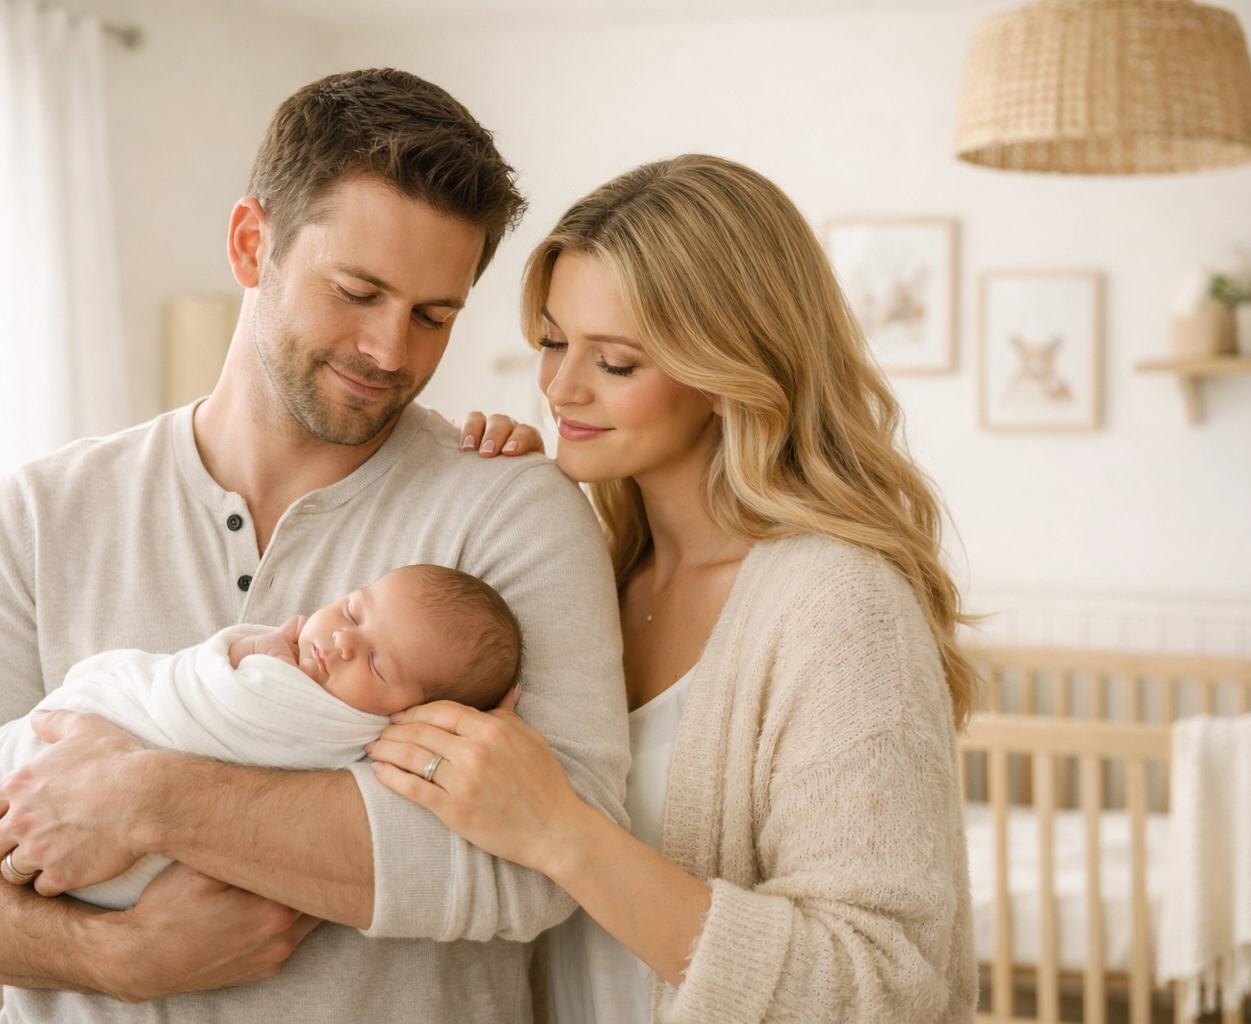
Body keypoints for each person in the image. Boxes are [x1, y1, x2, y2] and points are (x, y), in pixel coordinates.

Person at [0, 69, 629, 1024]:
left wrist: (147, 798)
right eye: (357, 291)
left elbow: (555, 862)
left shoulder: (511, 512)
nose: (390, 351)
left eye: (433, 316)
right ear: (253, 244)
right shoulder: (43, 513)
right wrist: (117, 954)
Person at [369, 154, 979, 1023]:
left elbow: (883, 983)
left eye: (615, 363)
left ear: (730, 374)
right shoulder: (591, 574)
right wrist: (490, 502)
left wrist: (563, 835)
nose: (559, 388)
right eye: (552, 341)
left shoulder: (840, 606)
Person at [0, 564, 523, 911]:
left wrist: (244, 663)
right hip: (65, 784)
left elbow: (218, 699)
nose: (342, 640)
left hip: (131, 873)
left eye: (379, 665)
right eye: (354, 609)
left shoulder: (346, 725)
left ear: (418, 715)